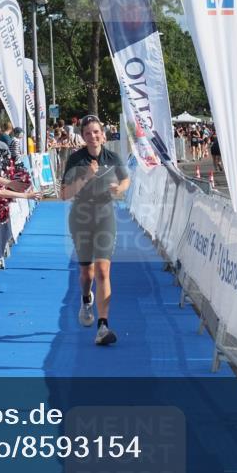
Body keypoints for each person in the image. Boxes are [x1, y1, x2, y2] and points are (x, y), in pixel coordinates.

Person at [61, 114, 130, 346]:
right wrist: (86, 177)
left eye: (96, 132)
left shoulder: (113, 157)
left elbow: (126, 180)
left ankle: (103, 326)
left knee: (102, 271)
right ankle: (85, 298)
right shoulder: (75, 160)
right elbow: (64, 194)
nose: (93, 136)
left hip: (105, 217)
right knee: (86, 274)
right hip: (81, 218)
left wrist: (119, 188)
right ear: (82, 136)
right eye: (88, 133)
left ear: (103, 134)